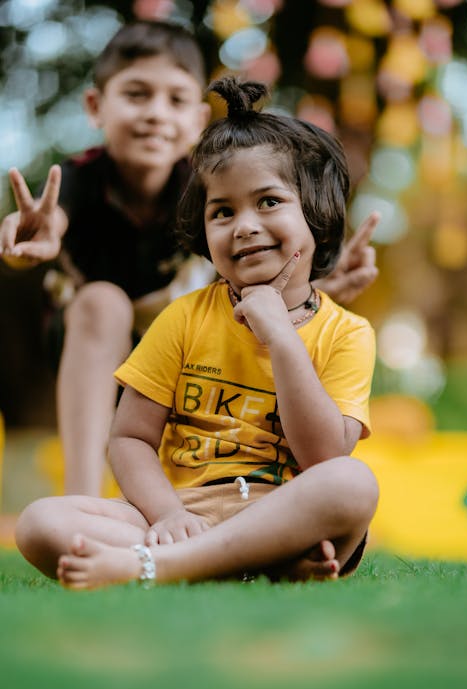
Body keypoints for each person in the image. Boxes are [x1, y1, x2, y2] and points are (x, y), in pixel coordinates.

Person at [15, 76, 379, 589]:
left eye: (269, 201)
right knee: (40, 523)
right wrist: (166, 515)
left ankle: (158, 568)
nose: (245, 225)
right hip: (182, 513)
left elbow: (322, 459)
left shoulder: (348, 333)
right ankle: (244, 564)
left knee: (352, 483)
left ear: (317, 213)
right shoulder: (185, 317)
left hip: (283, 514)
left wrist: (280, 336)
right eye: (223, 211)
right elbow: (131, 437)